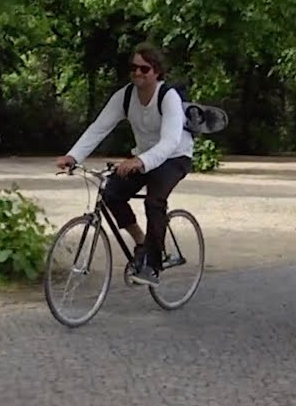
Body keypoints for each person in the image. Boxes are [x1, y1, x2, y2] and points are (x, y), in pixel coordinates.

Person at [55, 42, 195, 286]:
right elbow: (99, 128)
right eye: (134, 68)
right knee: (111, 193)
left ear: (157, 72)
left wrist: (140, 160)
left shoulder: (168, 97)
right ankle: (141, 240)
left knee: (155, 201)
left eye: (144, 69)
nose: (138, 73)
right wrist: (73, 156)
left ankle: (152, 264)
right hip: (143, 155)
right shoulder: (125, 95)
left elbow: (171, 141)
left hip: (175, 156)